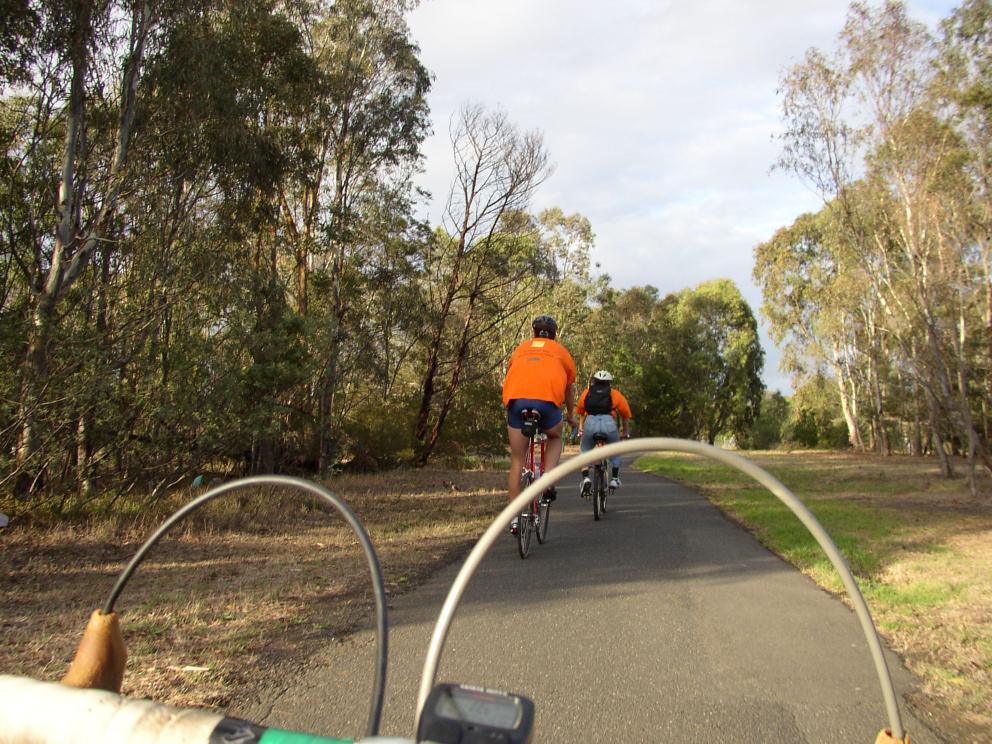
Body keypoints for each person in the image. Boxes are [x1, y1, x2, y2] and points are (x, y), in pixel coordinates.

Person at [502, 315, 578, 534]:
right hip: (546, 404)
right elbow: (569, 388)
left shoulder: (521, 348)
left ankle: (514, 519)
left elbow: (511, 374)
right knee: (555, 436)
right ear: (554, 334)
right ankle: (547, 479)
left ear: (534, 332)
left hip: (517, 403)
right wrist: (571, 415)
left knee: (517, 460)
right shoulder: (560, 351)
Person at [576, 370, 633, 493]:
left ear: (594, 381)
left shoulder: (587, 392)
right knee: (616, 451)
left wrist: (581, 428)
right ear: (609, 383)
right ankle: (614, 478)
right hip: (608, 423)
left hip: (590, 422)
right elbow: (625, 414)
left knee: (585, 451)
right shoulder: (615, 394)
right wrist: (625, 431)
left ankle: (586, 478)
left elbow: (580, 411)